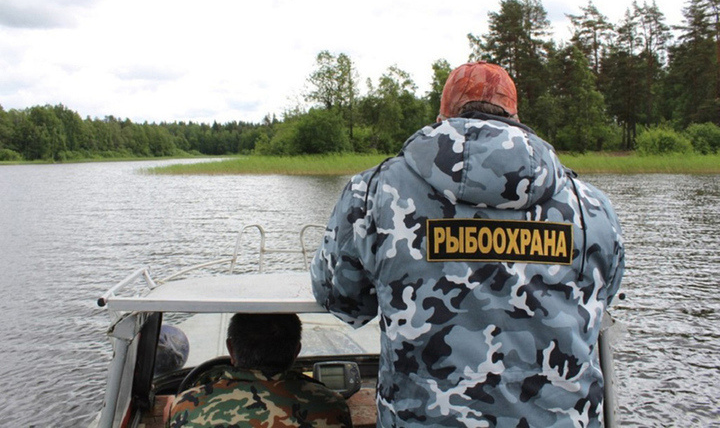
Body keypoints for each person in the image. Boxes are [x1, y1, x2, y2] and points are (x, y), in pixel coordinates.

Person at [310, 61, 625, 427]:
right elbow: (601, 299)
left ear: (443, 115)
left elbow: (340, 298)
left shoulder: (372, 193)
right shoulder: (591, 207)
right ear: (515, 116)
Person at [167, 313, 352, 427]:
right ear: (296, 352)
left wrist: (174, 408)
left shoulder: (186, 406)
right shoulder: (332, 405)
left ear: (231, 349)